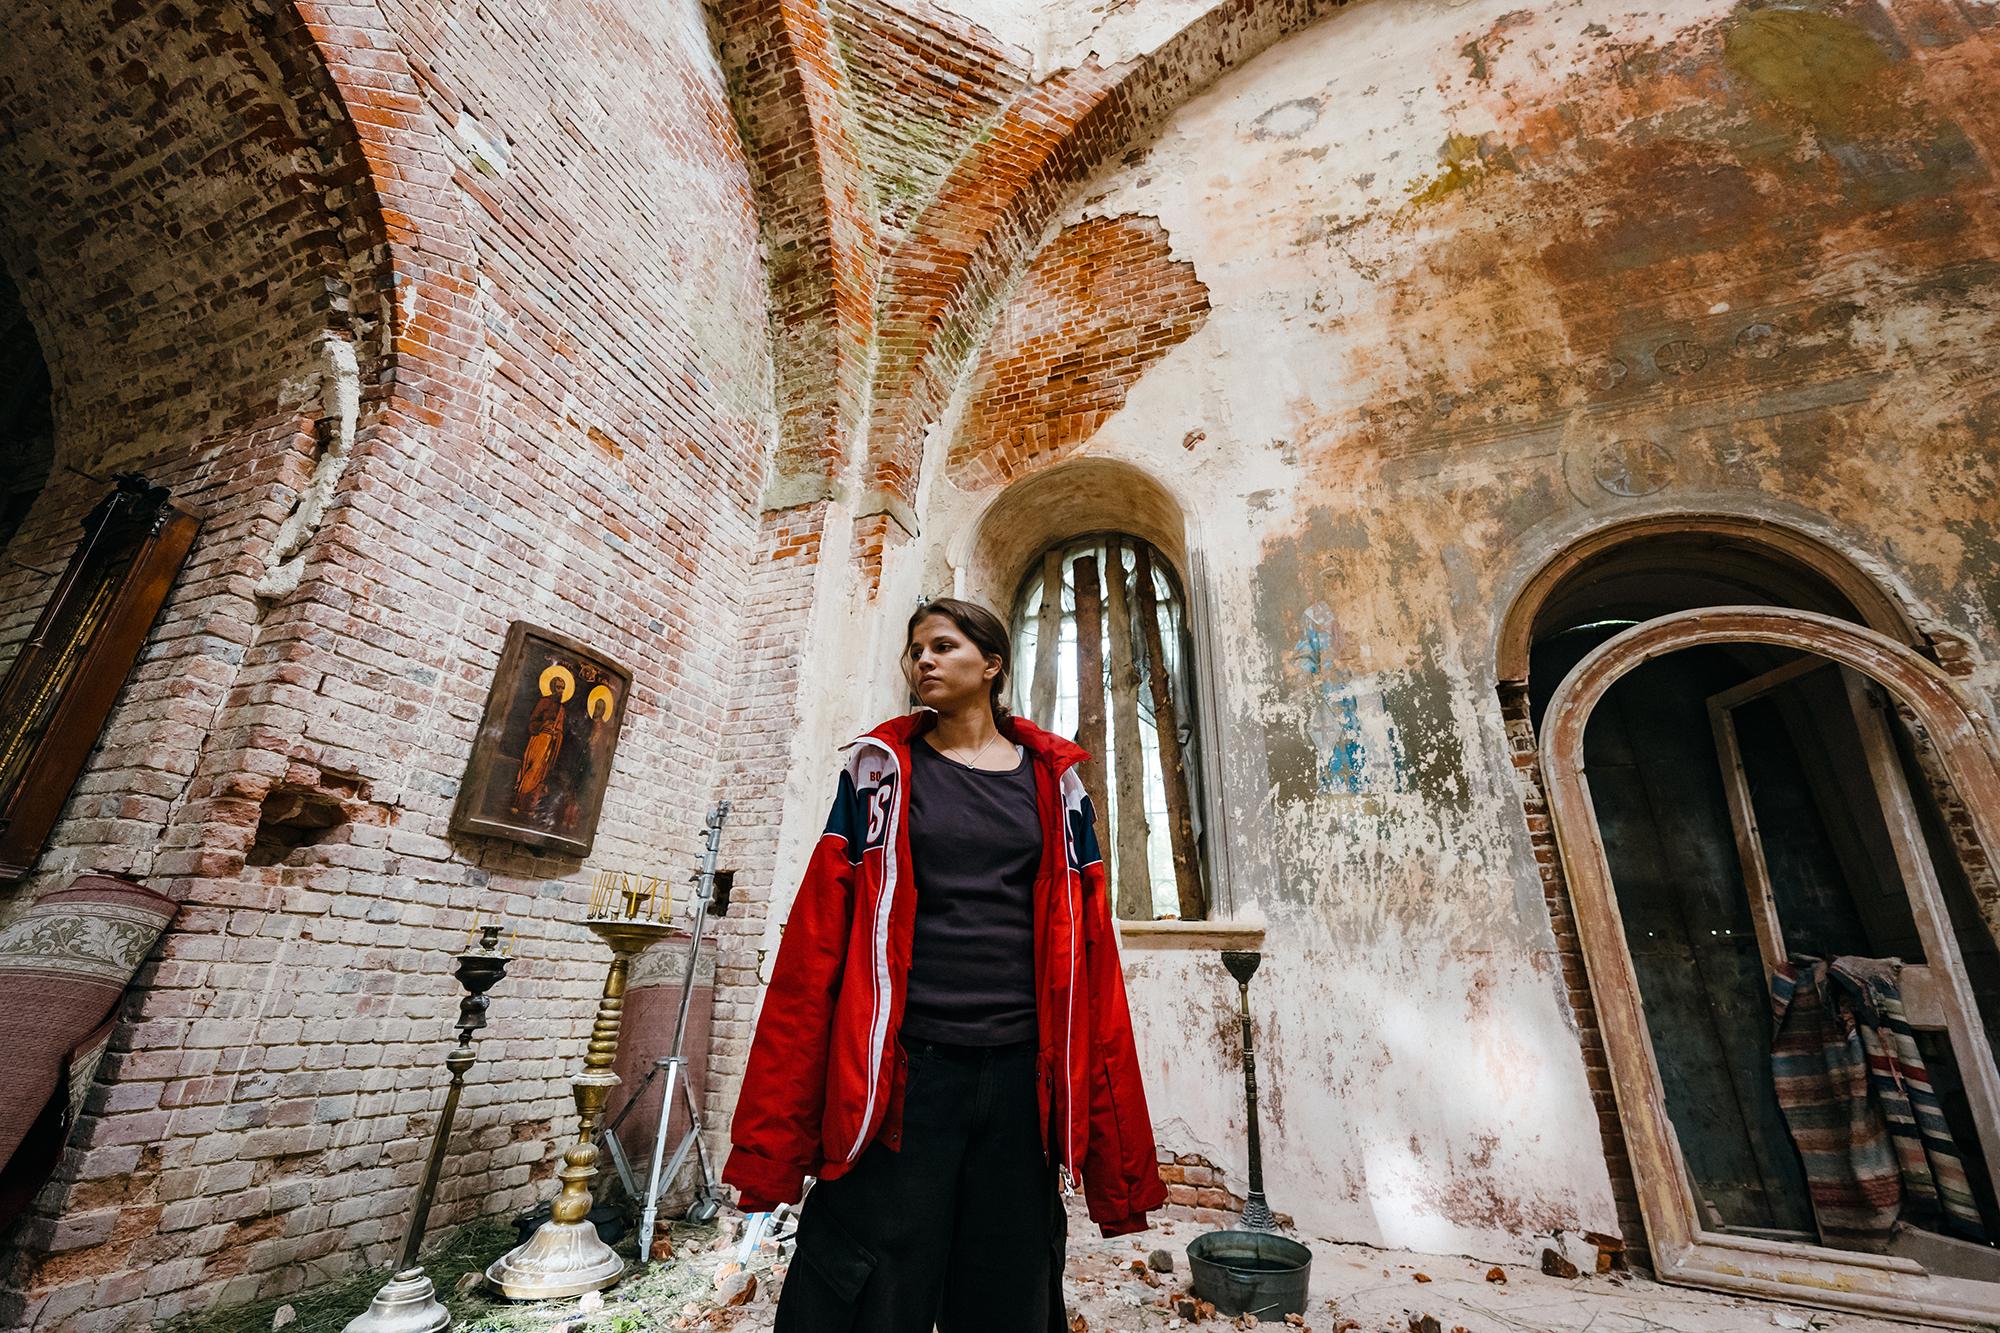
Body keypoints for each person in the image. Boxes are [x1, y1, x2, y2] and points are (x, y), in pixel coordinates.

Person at [724, 596, 1166, 1332]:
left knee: (1007, 1287)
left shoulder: (1056, 785)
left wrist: (1115, 1160)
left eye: (942, 645)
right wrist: (773, 1149)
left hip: (1019, 1079)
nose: (922, 660)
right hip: (905, 1077)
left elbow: (1092, 958)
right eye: (915, 649)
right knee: (875, 1284)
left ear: (992, 664)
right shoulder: (880, 776)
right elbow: (814, 949)